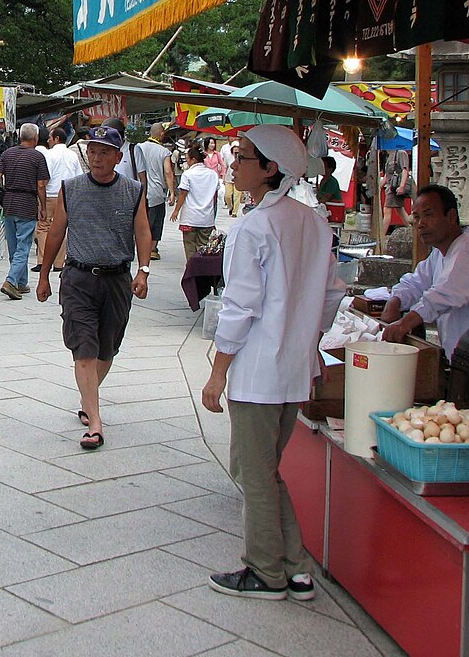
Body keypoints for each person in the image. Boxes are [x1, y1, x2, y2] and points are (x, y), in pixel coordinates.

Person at [201, 125, 344, 602]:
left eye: (243, 158)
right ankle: (296, 567)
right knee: (266, 469)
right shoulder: (313, 221)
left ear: (269, 170)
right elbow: (331, 295)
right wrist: (308, 337)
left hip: (259, 370)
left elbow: (240, 306)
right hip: (295, 368)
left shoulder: (254, 227)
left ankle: (265, 570)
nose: (234, 164)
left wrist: (218, 371)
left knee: (252, 470)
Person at [36, 125, 151, 451]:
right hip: (78, 279)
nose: (97, 157)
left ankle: (89, 398)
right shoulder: (71, 188)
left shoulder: (132, 190)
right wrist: (44, 274)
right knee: (83, 348)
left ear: (117, 156)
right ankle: (95, 423)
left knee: (106, 349)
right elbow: (57, 233)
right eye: (92, 151)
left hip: (117, 279)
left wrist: (143, 271)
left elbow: (142, 232)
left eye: (104, 152)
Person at [380, 184, 469, 357]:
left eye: (428, 215)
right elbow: (416, 282)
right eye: (417, 217)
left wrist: (405, 323)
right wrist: (395, 301)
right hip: (463, 356)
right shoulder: (440, 252)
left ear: (451, 216)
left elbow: (445, 294)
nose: (421, 224)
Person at [0, 122, 49, 300]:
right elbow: (41, 186)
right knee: (23, 246)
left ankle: (21, 283)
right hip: (27, 204)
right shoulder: (37, 157)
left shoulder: (7, 154)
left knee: (13, 246)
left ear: (20, 136)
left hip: (9, 203)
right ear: (36, 138)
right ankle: (11, 281)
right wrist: (43, 207)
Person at [33, 126, 83, 273]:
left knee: (43, 227)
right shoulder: (72, 155)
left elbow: (44, 179)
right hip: (68, 195)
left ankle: (42, 261)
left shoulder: (49, 155)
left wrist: (40, 198)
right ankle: (59, 263)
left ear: (56, 139)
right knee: (62, 228)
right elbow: (78, 176)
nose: (48, 140)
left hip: (50, 195)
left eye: (50, 137)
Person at [169, 141, 222, 260]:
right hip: (206, 218)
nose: (186, 161)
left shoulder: (188, 174)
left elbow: (183, 193)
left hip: (190, 216)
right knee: (203, 247)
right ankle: (202, 271)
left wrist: (176, 210)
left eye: (187, 159)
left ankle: (191, 270)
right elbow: (215, 194)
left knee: (190, 247)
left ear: (193, 160)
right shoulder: (212, 174)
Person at [133, 122, 176, 261]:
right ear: (162, 134)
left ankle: (139, 246)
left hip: (139, 190)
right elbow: (168, 172)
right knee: (156, 221)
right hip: (157, 192)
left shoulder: (138, 147)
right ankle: (151, 249)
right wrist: (172, 192)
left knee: (141, 220)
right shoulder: (164, 151)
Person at [382, 148, 412, 228]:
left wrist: (402, 186)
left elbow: (405, 170)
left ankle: (381, 235)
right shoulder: (390, 154)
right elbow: (387, 175)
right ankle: (412, 229)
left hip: (395, 186)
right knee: (400, 210)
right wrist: (380, 186)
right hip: (390, 186)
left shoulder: (401, 153)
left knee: (387, 209)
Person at [221, 139, 240, 217]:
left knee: (236, 196)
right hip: (229, 178)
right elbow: (225, 167)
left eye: (237, 147)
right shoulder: (228, 156)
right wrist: (223, 177)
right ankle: (230, 207)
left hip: (239, 178)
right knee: (227, 195)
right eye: (234, 147)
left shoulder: (242, 157)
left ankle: (235, 212)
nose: (236, 149)